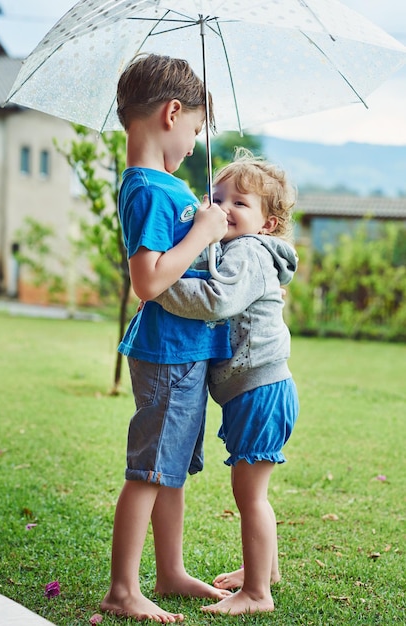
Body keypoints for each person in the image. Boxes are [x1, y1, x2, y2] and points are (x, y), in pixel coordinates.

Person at [100, 53, 233, 623]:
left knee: (170, 468)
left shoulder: (162, 186)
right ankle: (123, 589)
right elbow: (148, 281)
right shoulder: (152, 190)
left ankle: (170, 571)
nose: (194, 143)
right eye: (196, 130)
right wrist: (203, 231)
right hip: (168, 354)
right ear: (172, 113)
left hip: (186, 352)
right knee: (150, 471)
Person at [155, 148, 300, 615]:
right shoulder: (236, 250)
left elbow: (216, 299)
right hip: (254, 389)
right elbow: (210, 277)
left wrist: (160, 286)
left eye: (240, 203)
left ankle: (258, 593)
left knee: (249, 494)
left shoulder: (252, 254)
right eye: (217, 198)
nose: (224, 208)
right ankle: (265, 569)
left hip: (261, 389)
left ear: (268, 224)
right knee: (251, 490)